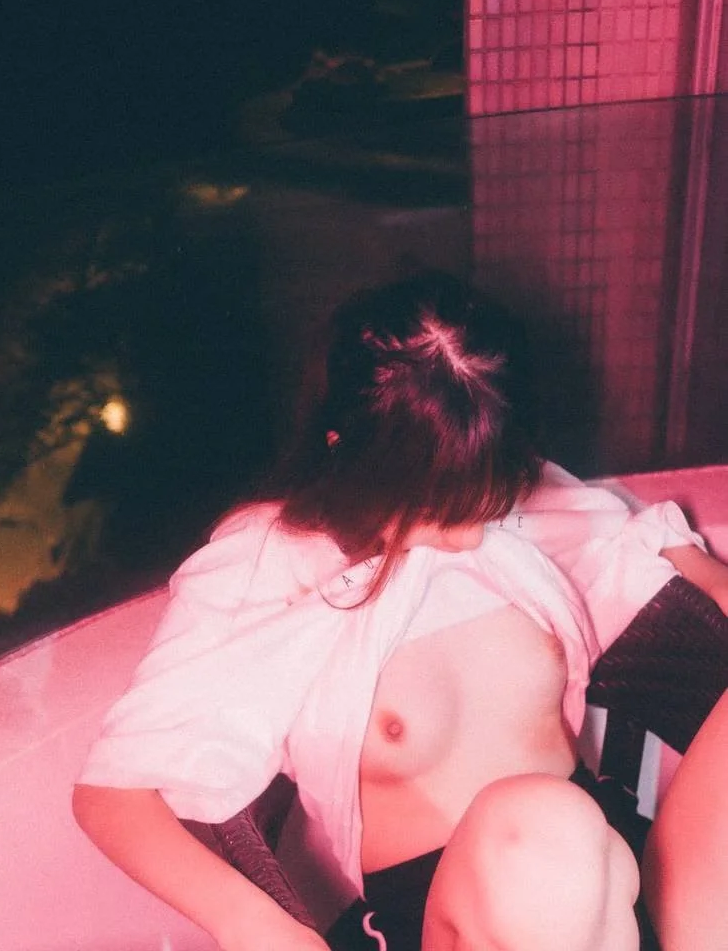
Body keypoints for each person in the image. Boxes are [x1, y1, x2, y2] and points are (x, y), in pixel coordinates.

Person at [73, 272, 728, 951]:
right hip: (454, 916)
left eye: (487, 493)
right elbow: (115, 796)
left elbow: (621, 535)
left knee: (559, 825)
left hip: (613, 880)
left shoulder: (504, 503)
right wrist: (252, 923)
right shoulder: (270, 562)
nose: (473, 531)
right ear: (347, 448)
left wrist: (709, 574)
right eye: (441, 507)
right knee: (538, 824)